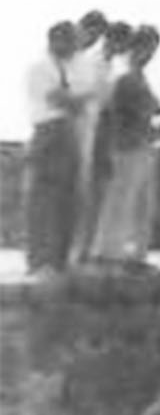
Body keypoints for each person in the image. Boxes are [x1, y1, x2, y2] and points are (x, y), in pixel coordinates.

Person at [91, 25, 160, 269]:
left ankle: (133, 255)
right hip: (126, 146)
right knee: (121, 202)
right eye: (147, 48)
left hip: (142, 145)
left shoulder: (139, 77)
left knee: (141, 205)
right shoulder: (124, 77)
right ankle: (109, 253)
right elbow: (143, 109)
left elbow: (154, 108)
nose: (150, 54)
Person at [24, 21, 85, 274]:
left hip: (68, 130)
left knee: (67, 198)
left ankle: (59, 258)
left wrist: (76, 101)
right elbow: (59, 99)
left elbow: (76, 103)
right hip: (48, 129)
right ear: (56, 40)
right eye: (70, 41)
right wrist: (77, 100)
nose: (74, 47)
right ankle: (40, 259)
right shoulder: (39, 68)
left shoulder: (70, 70)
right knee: (44, 197)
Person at [66, 11, 111, 265]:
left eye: (97, 35)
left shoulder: (86, 61)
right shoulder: (66, 58)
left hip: (87, 130)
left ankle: (78, 251)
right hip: (67, 128)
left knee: (81, 193)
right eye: (92, 32)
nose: (93, 39)